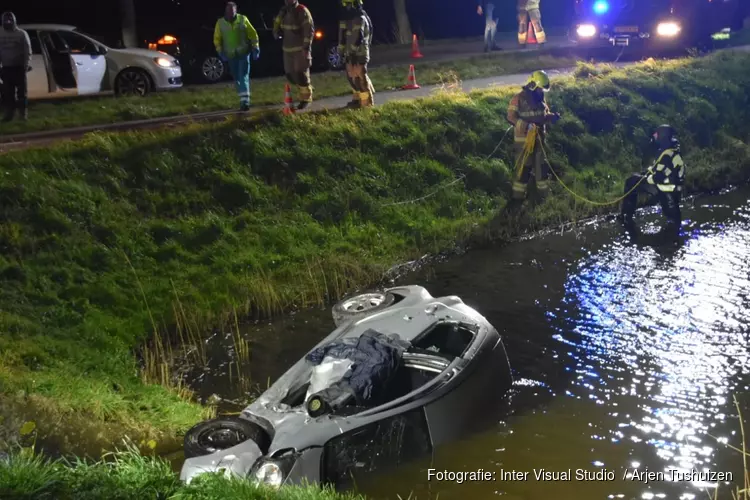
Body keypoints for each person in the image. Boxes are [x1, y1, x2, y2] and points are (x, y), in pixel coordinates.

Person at [506, 70, 560, 201]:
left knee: (541, 168)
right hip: (523, 141)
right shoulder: (518, 98)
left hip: (539, 140)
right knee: (523, 169)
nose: (541, 92)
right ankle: (517, 199)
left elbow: (542, 116)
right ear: (533, 85)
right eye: (540, 89)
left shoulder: (540, 99)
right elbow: (510, 117)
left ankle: (543, 198)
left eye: (543, 90)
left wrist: (551, 117)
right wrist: (526, 126)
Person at [619, 124, 685, 229]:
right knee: (673, 225)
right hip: (672, 192)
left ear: (662, 136)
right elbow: (660, 169)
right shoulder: (671, 150)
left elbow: (658, 178)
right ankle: (627, 217)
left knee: (631, 182)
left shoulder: (667, 154)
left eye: (656, 134)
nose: (655, 137)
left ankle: (626, 217)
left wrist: (644, 178)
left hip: (666, 191)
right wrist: (645, 173)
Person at [213, 2, 260, 111]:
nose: (231, 14)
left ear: (236, 11)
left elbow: (253, 34)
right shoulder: (220, 23)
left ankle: (245, 102)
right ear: (226, 11)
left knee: (243, 76)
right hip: (230, 55)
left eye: (233, 12)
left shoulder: (243, 20)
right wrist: (220, 51)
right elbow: (217, 38)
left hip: (243, 53)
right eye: (229, 11)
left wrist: (255, 47)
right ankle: (242, 98)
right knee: (236, 77)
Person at [274, 0, 315, 110]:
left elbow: (309, 31)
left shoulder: (302, 11)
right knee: (290, 75)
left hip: (300, 49)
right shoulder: (283, 11)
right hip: (287, 50)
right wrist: (276, 32)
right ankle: (303, 92)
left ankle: (306, 98)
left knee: (300, 74)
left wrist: (306, 48)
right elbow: (277, 24)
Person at [338, 0, 375, 108]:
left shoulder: (360, 18)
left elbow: (359, 37)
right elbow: (344, 36)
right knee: (352, 77)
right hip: (351, 53)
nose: (346, 8)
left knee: (360, 78)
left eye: (347, 5)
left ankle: (366, 104)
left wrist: (352, 53)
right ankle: (358, 100)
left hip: (360, 53)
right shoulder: (349, 19)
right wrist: (342, 52)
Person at [0, 12, 32, 122]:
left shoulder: (21, 34)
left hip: (19, 67)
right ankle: (9, 115)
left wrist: (26, 65)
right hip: (5, 68)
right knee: (8, 94)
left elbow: (27, 51)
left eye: (9, 21)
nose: (7, 23)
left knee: (22, 94)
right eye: (5, 21)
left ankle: (23, 115)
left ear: (14, 21)